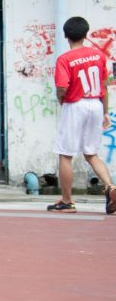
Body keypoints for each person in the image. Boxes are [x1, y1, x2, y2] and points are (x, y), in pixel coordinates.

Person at [47, 16, 116, 214]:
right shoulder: (99, 56)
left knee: (65, 154)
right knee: (91, 153)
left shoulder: (65, 59)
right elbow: (104, 86)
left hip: (75, 105)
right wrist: (105, 112)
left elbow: (62, 86)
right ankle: (110, 186)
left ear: (66, 36)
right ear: (86, 34)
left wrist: (62, 99)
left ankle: (67, 201)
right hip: (95, 104)